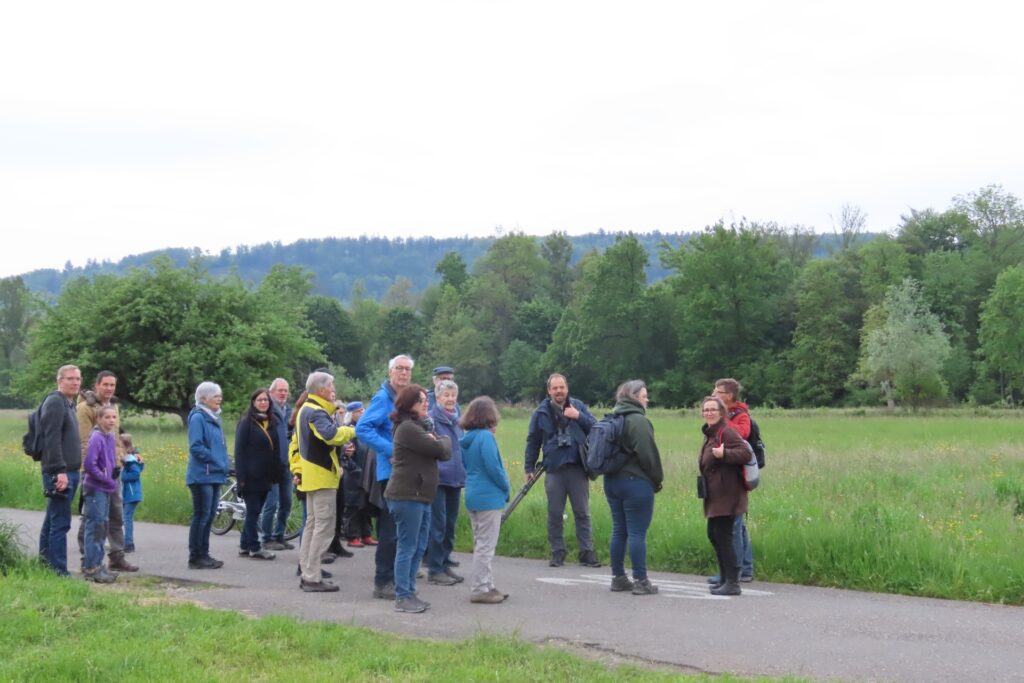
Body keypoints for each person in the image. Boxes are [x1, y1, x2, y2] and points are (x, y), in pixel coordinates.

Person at [384, 384, 451, 613]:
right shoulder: (408, 429)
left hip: (420, 496)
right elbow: (442, 450)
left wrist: (437, 439)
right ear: (409, 403)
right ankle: (402, 596)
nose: (426, 403)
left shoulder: (416, 427)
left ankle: (410, 591)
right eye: (421, 400)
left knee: (419, 545)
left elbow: (442, 449)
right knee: (408, 546)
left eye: (426, 400)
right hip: (407, 495)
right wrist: (439, 439)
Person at [524, 373, 601, 568]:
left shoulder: (578, 406)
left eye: (562, 387)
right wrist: (529, 467)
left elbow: (597, 428)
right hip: (554, 470)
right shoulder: (540, 412)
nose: (559, 391)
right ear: (549, 391)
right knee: (555, 513)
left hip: (577, 468)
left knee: (582, 513)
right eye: (555, 388)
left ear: (567, 388)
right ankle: (557, 553)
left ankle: (587, 552)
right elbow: (533, 441)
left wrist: (579, 416)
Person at [357, 354, 415, 600]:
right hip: (389, 472)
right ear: (390, 371)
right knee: (389, 529)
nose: (403, 373)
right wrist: (391, 449)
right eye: (399, 368)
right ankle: (382, 582)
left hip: (404, 472)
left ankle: (395, 578)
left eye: (407, 369)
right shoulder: (383, 398)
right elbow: (362, 428)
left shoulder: (404, 399)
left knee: (400, 530)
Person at [295, 372, 355, 592]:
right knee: (324, 528)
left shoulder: (305, 409)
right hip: (321, 477)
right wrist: (352, 430)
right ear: (321, 390)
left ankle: (308, 572)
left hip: (312, 476)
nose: (333, 390)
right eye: (331, 386)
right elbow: (330, 435)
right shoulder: (316, 412)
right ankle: (311, 576)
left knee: (312, 527)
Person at [604, 380, 664, 595]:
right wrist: (657, 479)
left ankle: (618, 577)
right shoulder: (638, 421)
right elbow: (648, 455)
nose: (647, 400)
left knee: (619, 530)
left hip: (611, 481)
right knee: (637, 532)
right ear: (634, 397)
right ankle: (640, 580)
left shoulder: (613, 417)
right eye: (644, 396)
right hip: (635, 483)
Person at [76, 370, 138, 573]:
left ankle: (117, 556)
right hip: (93, 472)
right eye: (106, 385)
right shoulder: (85, 408)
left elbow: (116, 438)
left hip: (114, 470)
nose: (109, 388)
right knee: (93, 516)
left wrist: (127, 455)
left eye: (112, 385)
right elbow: (85, 442)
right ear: (97, 385)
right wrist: (90, 471)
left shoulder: (113, 408)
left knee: (116, 514)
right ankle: (89, 558)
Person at [459, 396, 511, 604]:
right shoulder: (485, 438)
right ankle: (480, 587)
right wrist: (506, 486)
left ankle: (487, 584)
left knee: (481, 542)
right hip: (489, 496)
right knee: (486, 545)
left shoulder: (467, 438)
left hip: (473, 492)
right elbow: (493, 467)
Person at [699, 394, 750, 596]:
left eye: (713, 409)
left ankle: (733, 582)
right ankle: (724, 578)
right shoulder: (711, 433)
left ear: (722, 413)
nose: (709, 413)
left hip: (728, 494)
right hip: (715, 494)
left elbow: (745, 454)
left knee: (723, 536)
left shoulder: (726, 432)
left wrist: (725, 454)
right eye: (706, 410)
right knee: (715, 535)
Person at [708, 378, 756, 584]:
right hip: (725, 476)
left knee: (733, 527)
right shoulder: (725, 415)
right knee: (739, 526)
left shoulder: (741, 415)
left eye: (718, 392)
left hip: (735, 478)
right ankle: (745, 569)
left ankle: (733, 573)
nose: (713, 394)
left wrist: (722, 421)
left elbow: (742, 434)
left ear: (729, 396)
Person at [38, 364, 83, 577]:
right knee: (60, 523)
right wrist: (60, 471)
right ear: (59, 381)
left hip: (71, 470)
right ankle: (58, 571)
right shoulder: (55, 402)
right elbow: (52, 439)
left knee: (52, 520)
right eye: (70, 379)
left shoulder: (69, 403)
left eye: (78, 379)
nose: (75, 382)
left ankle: (45, 565)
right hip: (60, 472)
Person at [186, 381, 230, 570]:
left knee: (210, 515)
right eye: (215, 396)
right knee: (202, 515)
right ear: (203, 399)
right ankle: (195, 556)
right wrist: (216, 461)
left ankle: (204, 553)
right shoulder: (198, 418)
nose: (219, 399)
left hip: (214, 474)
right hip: (202, 474)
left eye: (219, 395)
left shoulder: (214, 417)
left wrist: (225, 463)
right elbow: (196, 446)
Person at [425, 379, 466, 586]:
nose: (450, 399)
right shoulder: (431, 419)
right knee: (438, 525)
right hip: (438, 479)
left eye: (453, 395)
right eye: (446, 396)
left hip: (456, 479)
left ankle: (445, 562)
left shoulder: (458, 421)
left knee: (450, 524)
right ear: (438, 398)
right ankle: (434, 568)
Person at [234, 388, 282, 560]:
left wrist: (276, 474)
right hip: (250, 476)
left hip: (265, 475)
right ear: (253, 403)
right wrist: (241, 479)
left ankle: (244, 545)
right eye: (260, 400)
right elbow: (239, 451)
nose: (263, 403)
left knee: (254, 512)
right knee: (253, 511)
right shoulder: (246, 423)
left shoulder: (272, 422)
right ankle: (255, 547)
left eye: (266, 400)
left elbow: (275, 450)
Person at [81, 405, 119, 583]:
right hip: (96, 488)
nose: (111, 421)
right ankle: (91, 567)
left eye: (114, 417)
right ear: (99, 419)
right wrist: (105, 478)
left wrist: (114, 472)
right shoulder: (96, 436)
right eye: (107, 417)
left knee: (103, 526)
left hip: (106, 487)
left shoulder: (109, 436)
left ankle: (98, 564)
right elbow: (90, 464)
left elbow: (109, 460)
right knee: (95, 527)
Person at [261, 377, 294, 551]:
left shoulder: (289, 411)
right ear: (271, 392)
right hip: (271, 465)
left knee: (286, 502)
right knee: (271, 503)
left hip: (286, 465)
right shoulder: (267, 410)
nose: (283, 393)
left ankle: (279, 535)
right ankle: (266, 538)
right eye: (280, 390)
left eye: (285, 391)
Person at [338, 402, 376, 548]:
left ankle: (366, 534)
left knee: (365, 504)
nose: (362, 413)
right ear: (352, 414)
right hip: (353, 474)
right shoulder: (348, 430)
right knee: (353, 506)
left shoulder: (366, 430)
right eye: (359, 411)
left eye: (362, 410)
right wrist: (356, 470)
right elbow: (346, 456)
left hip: (366, 472)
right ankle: (352, 535)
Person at [120, 433, 144, 553]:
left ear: (127, 448)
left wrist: (122, 475)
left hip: (132, 493)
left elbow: (135, 474)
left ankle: (129, 543)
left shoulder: (131, 461)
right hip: (127, 494)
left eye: (121, 447)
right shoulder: (127, 460)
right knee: (123, 517)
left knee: (127, 518)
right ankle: (123, 541)